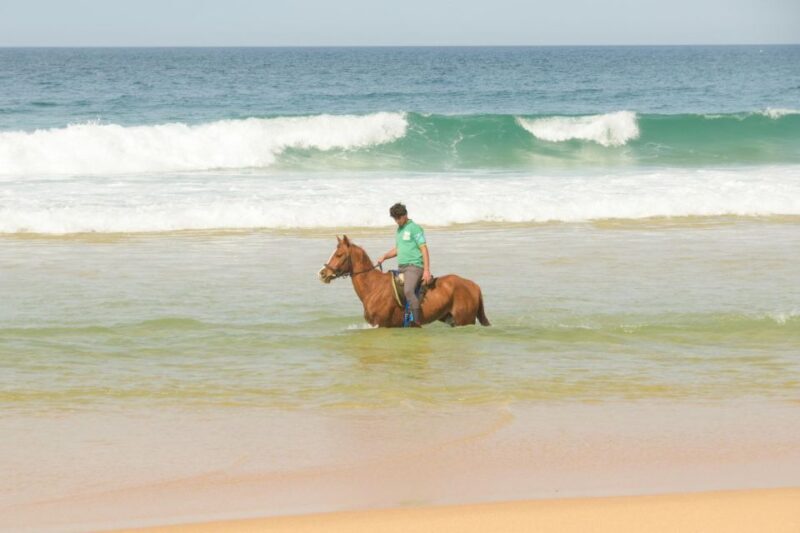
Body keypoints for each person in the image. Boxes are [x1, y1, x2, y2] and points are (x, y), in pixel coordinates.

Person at [376, 203, 431, 327]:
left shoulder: (415, 228)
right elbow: (398, 249)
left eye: (398, 218)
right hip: (401, 268)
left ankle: (416, 323)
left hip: (414, 266)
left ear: (405, 215)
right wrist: (384, 256)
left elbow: (424, 248)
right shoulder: (399, 230)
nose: (397, 221)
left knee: (408, 291)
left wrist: (426, 270)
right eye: (395, 219)